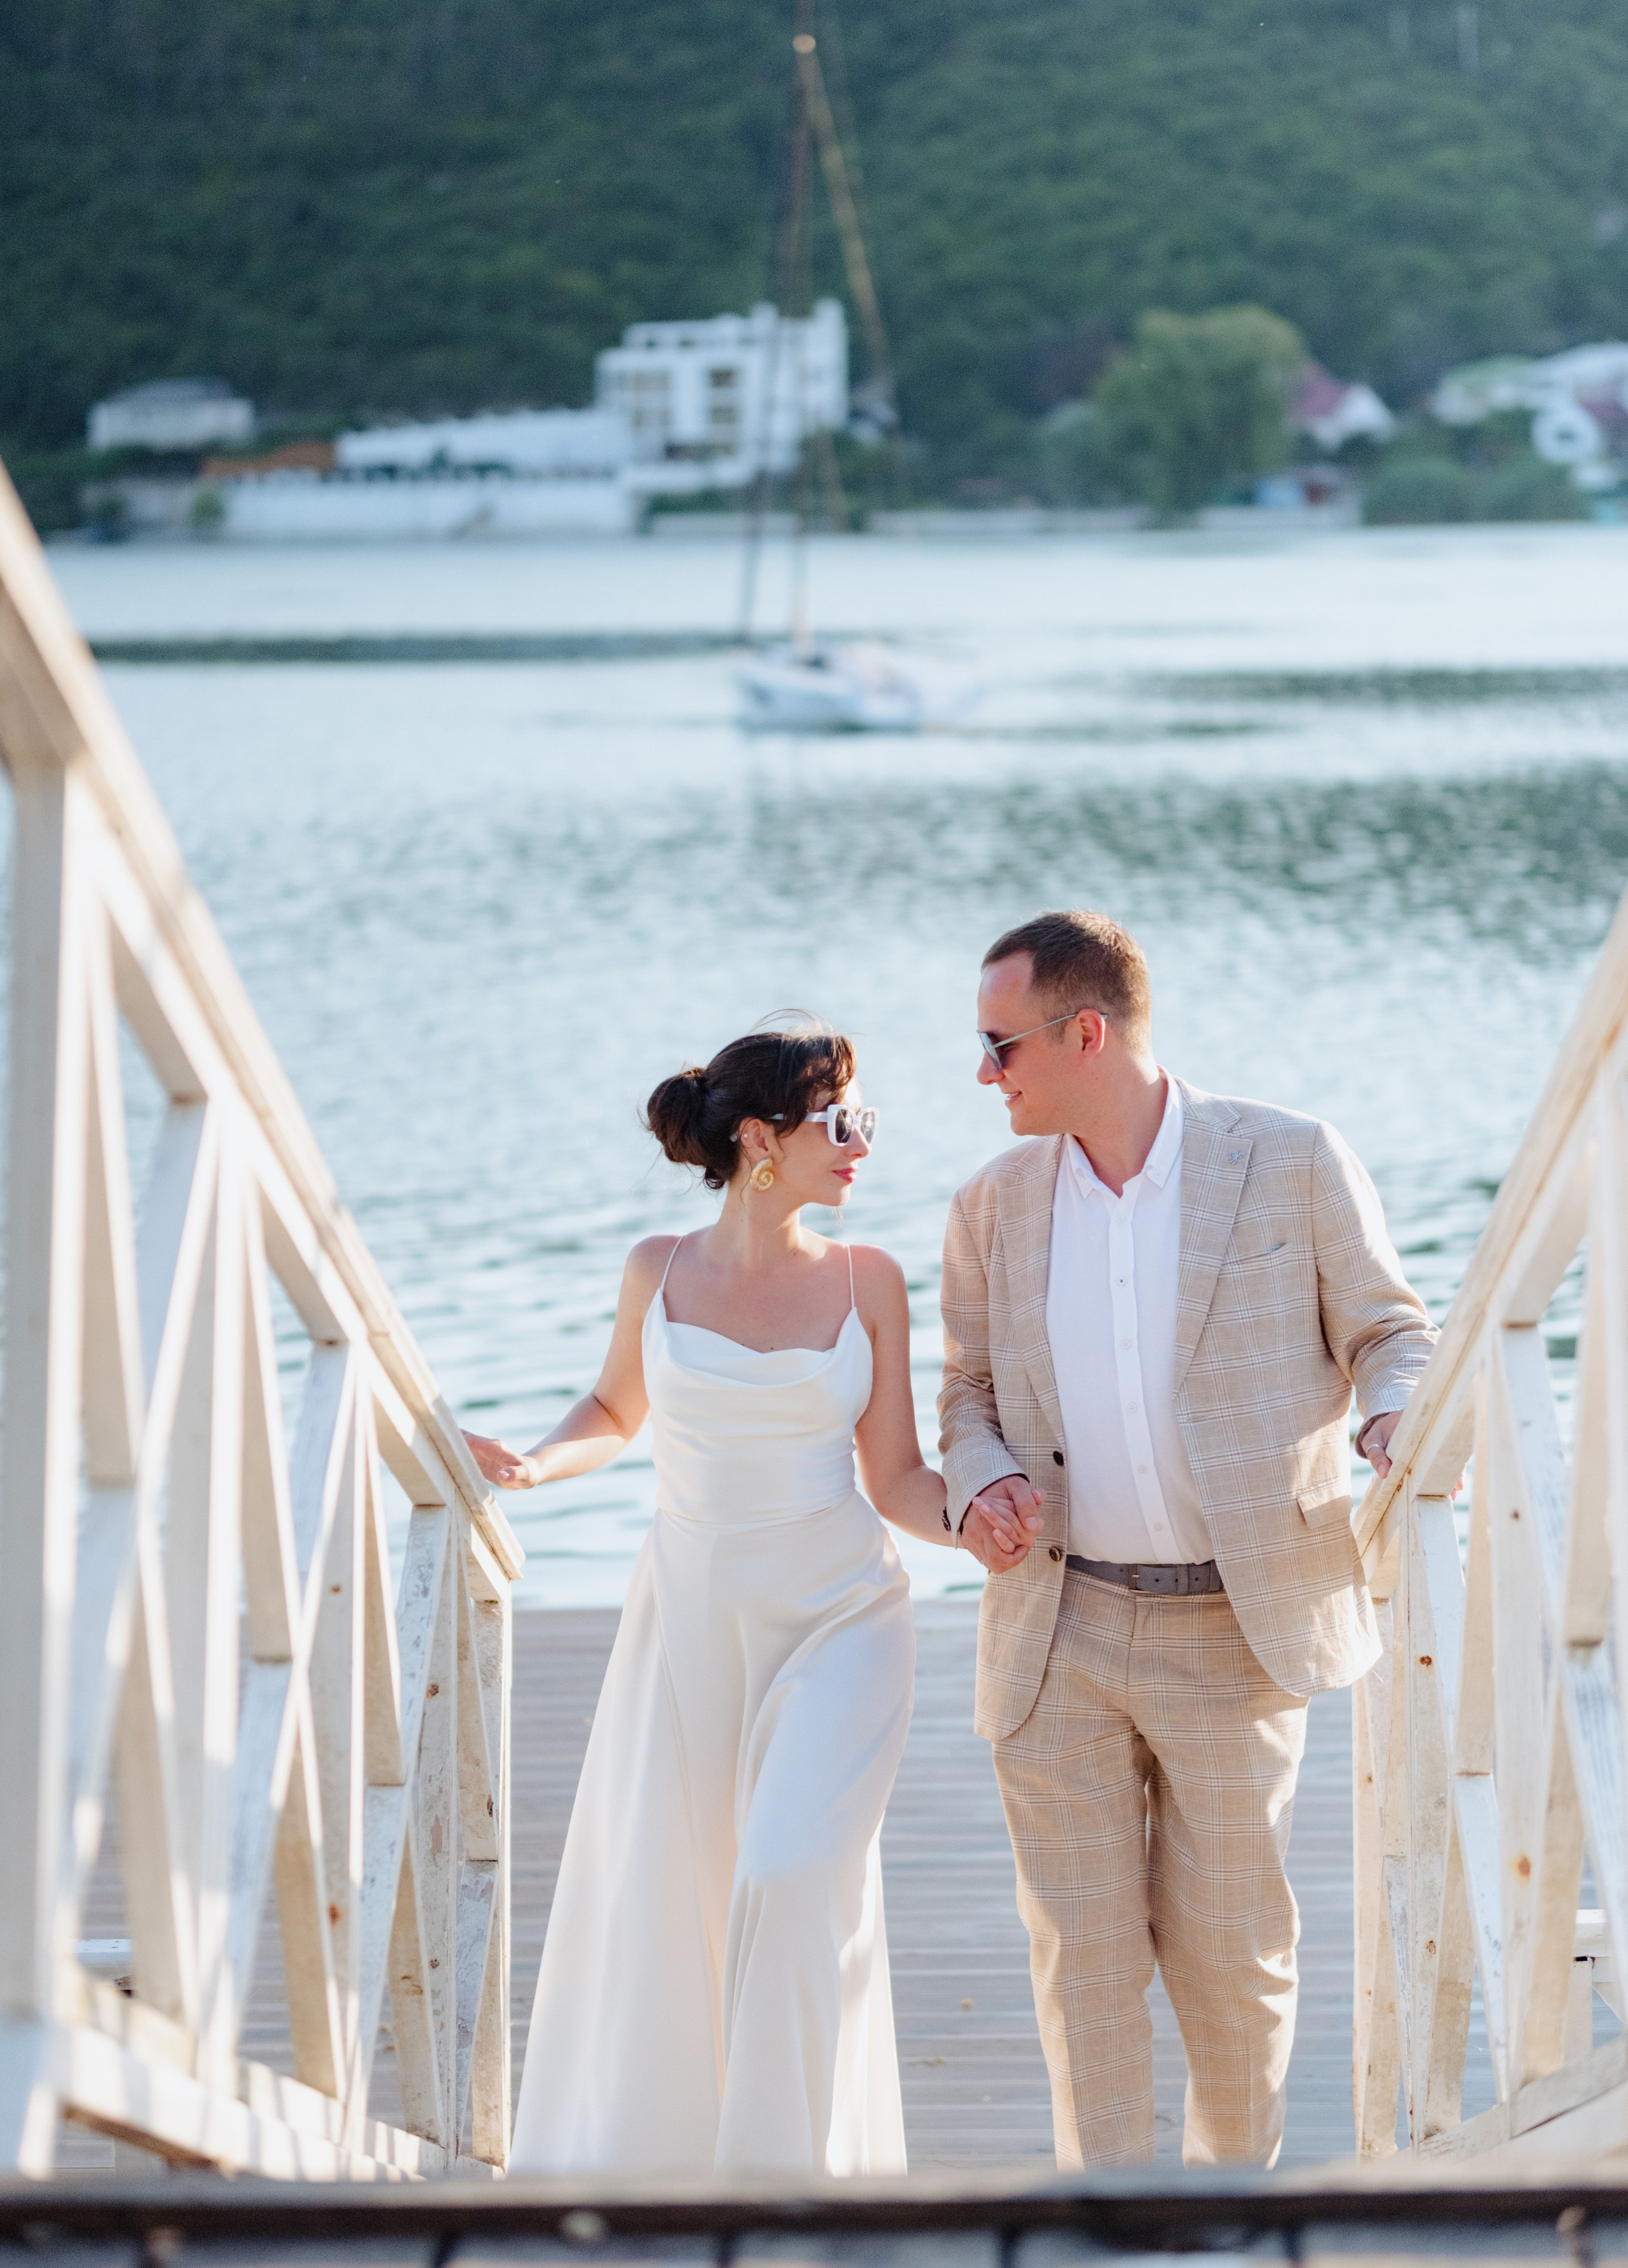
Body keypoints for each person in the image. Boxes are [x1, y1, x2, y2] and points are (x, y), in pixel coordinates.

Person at [467, 1023, 1013, 2174]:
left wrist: (972, 1519)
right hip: (691, 1625)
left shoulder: (870, 1280)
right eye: (843, 1121)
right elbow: (613, 1414)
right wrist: (529, 1464)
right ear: (762, 1138)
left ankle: (784, 2178)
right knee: (685, 1902)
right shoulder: (656, 1270)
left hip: (842, 1619)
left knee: (791, 1872)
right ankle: (695, 2169)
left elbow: (899, 1475)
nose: (864, 1144)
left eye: (865, 1120)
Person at [938, 910, 1436, 2170]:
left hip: (1238, 1619)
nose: (982, 1073)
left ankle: (1230, 2214)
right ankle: (1104, 2224)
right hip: (1057, 1627)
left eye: (998, 1046)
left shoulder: (1289, 1158)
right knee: (1082, 1966)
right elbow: (964, 1399)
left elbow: (1390, 1329)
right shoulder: (990, 1204)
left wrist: (1391, 1411)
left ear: (1083, 1032)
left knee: (1233, 1963)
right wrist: (980, 1479)